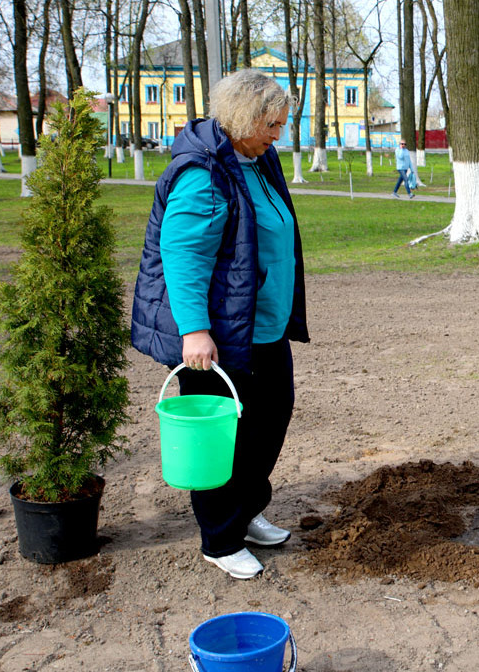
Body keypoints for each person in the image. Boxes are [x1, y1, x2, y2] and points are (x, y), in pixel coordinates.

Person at [131, 69, 309, 579]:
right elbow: (182, 255)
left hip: (263, 328)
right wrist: (194, 330)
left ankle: (245, 514)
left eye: (282, 124)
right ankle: (220, 539)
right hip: (220, 338)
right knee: (227, 440)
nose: (280, 134)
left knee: (269, 423)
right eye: (273, 125)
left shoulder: (256, 159)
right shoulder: (203, 172)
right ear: (243, 120)